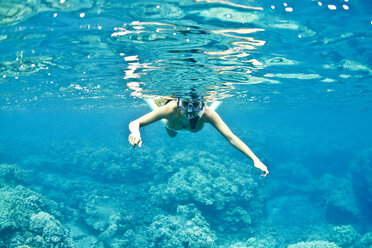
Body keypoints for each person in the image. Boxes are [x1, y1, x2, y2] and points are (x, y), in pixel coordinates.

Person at [128, 97, 269, 177]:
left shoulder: (207, 113)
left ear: (203, 103)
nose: (190, 110)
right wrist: (136, 132)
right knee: (171, 134)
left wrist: (255, 159)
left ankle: (221, 95)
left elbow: (231, 137)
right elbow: (135, 123)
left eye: (195, 105)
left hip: (190, 124)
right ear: (179, 102)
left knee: (213, 110)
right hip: (170, 125)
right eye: (185, 104)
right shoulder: (171, 108)